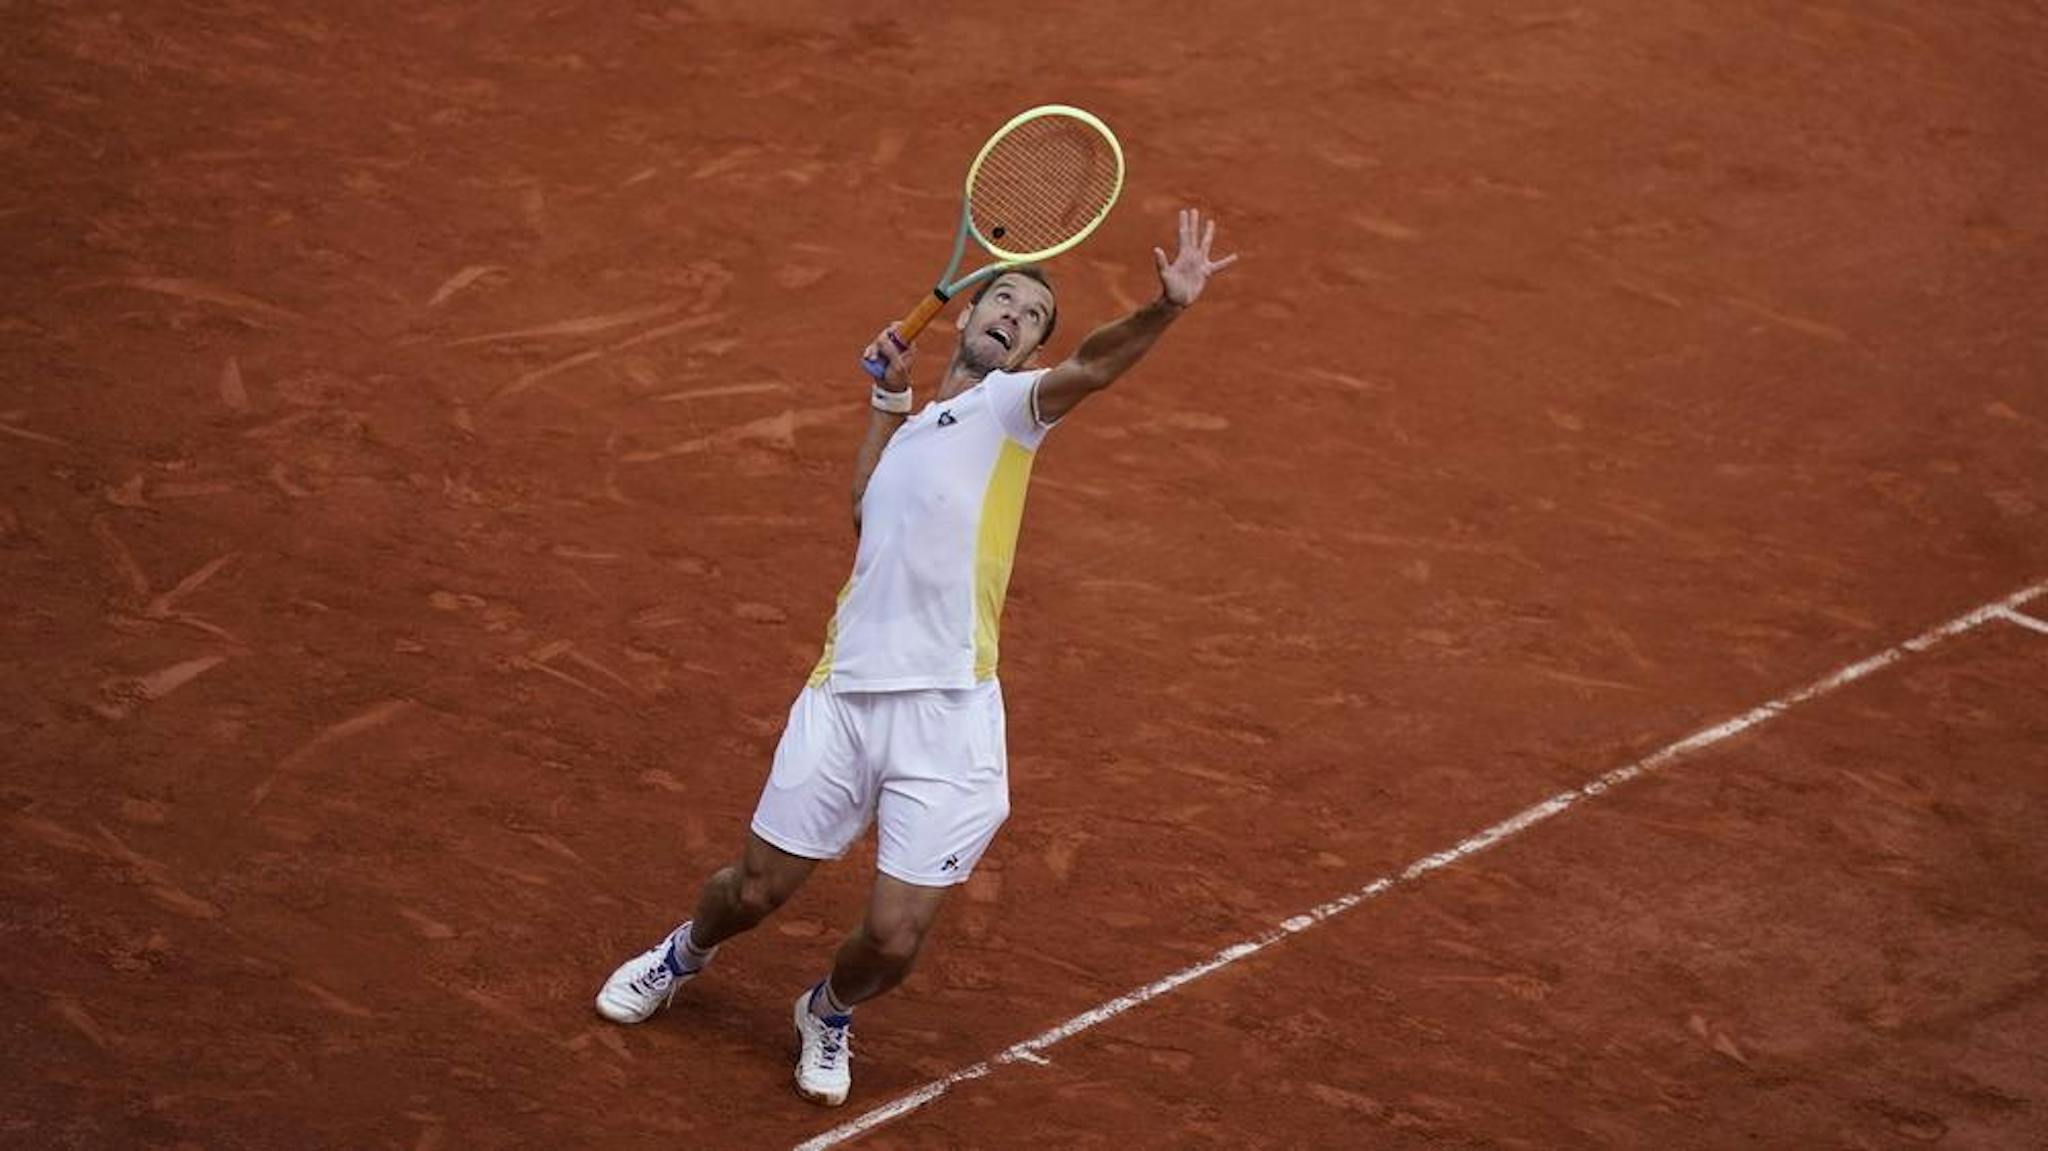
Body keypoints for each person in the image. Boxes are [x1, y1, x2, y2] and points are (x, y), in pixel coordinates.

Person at [595, 209, 1238, 1107]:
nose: (1014, 315)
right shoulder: (915, 423)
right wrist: (886, 405)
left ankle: (826, 1008)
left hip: (948, 715)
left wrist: (1164, 310)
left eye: (1030, 317)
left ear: (1022, 356)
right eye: (1002, 298)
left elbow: (1093, 364)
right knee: (750, 890)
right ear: (969, 317)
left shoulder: (1011, 411)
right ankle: (684, 953)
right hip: (847, 695)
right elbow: (867, 516)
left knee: (894, 940)